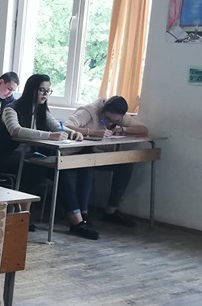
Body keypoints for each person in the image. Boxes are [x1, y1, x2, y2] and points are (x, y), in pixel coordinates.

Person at [0, 74, 97, 239]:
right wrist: (49, 135)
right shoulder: (11, 109)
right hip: (4, 157)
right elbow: (16, 131)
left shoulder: (41, 110)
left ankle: (77, 221)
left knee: (59, 168)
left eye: (48, 91)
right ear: (32, 90)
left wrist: (72, 133)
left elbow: (57, 127)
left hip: (28, 157)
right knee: (37, 165)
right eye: (42, 90)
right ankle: (24, 214)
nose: (45, 94)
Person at [64, 96, 149, 227]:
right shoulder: (89, 111)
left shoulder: (118, 116)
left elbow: (143, 129)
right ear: (102, 111)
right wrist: (92, 132)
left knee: (125, 165)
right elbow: (66, 126)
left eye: (116, 121)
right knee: (88, 164)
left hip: (95, 153)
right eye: (107, 119)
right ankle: (83, 213)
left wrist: (123, 129)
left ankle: (111, 211)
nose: (110, 123)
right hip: (74, 154)